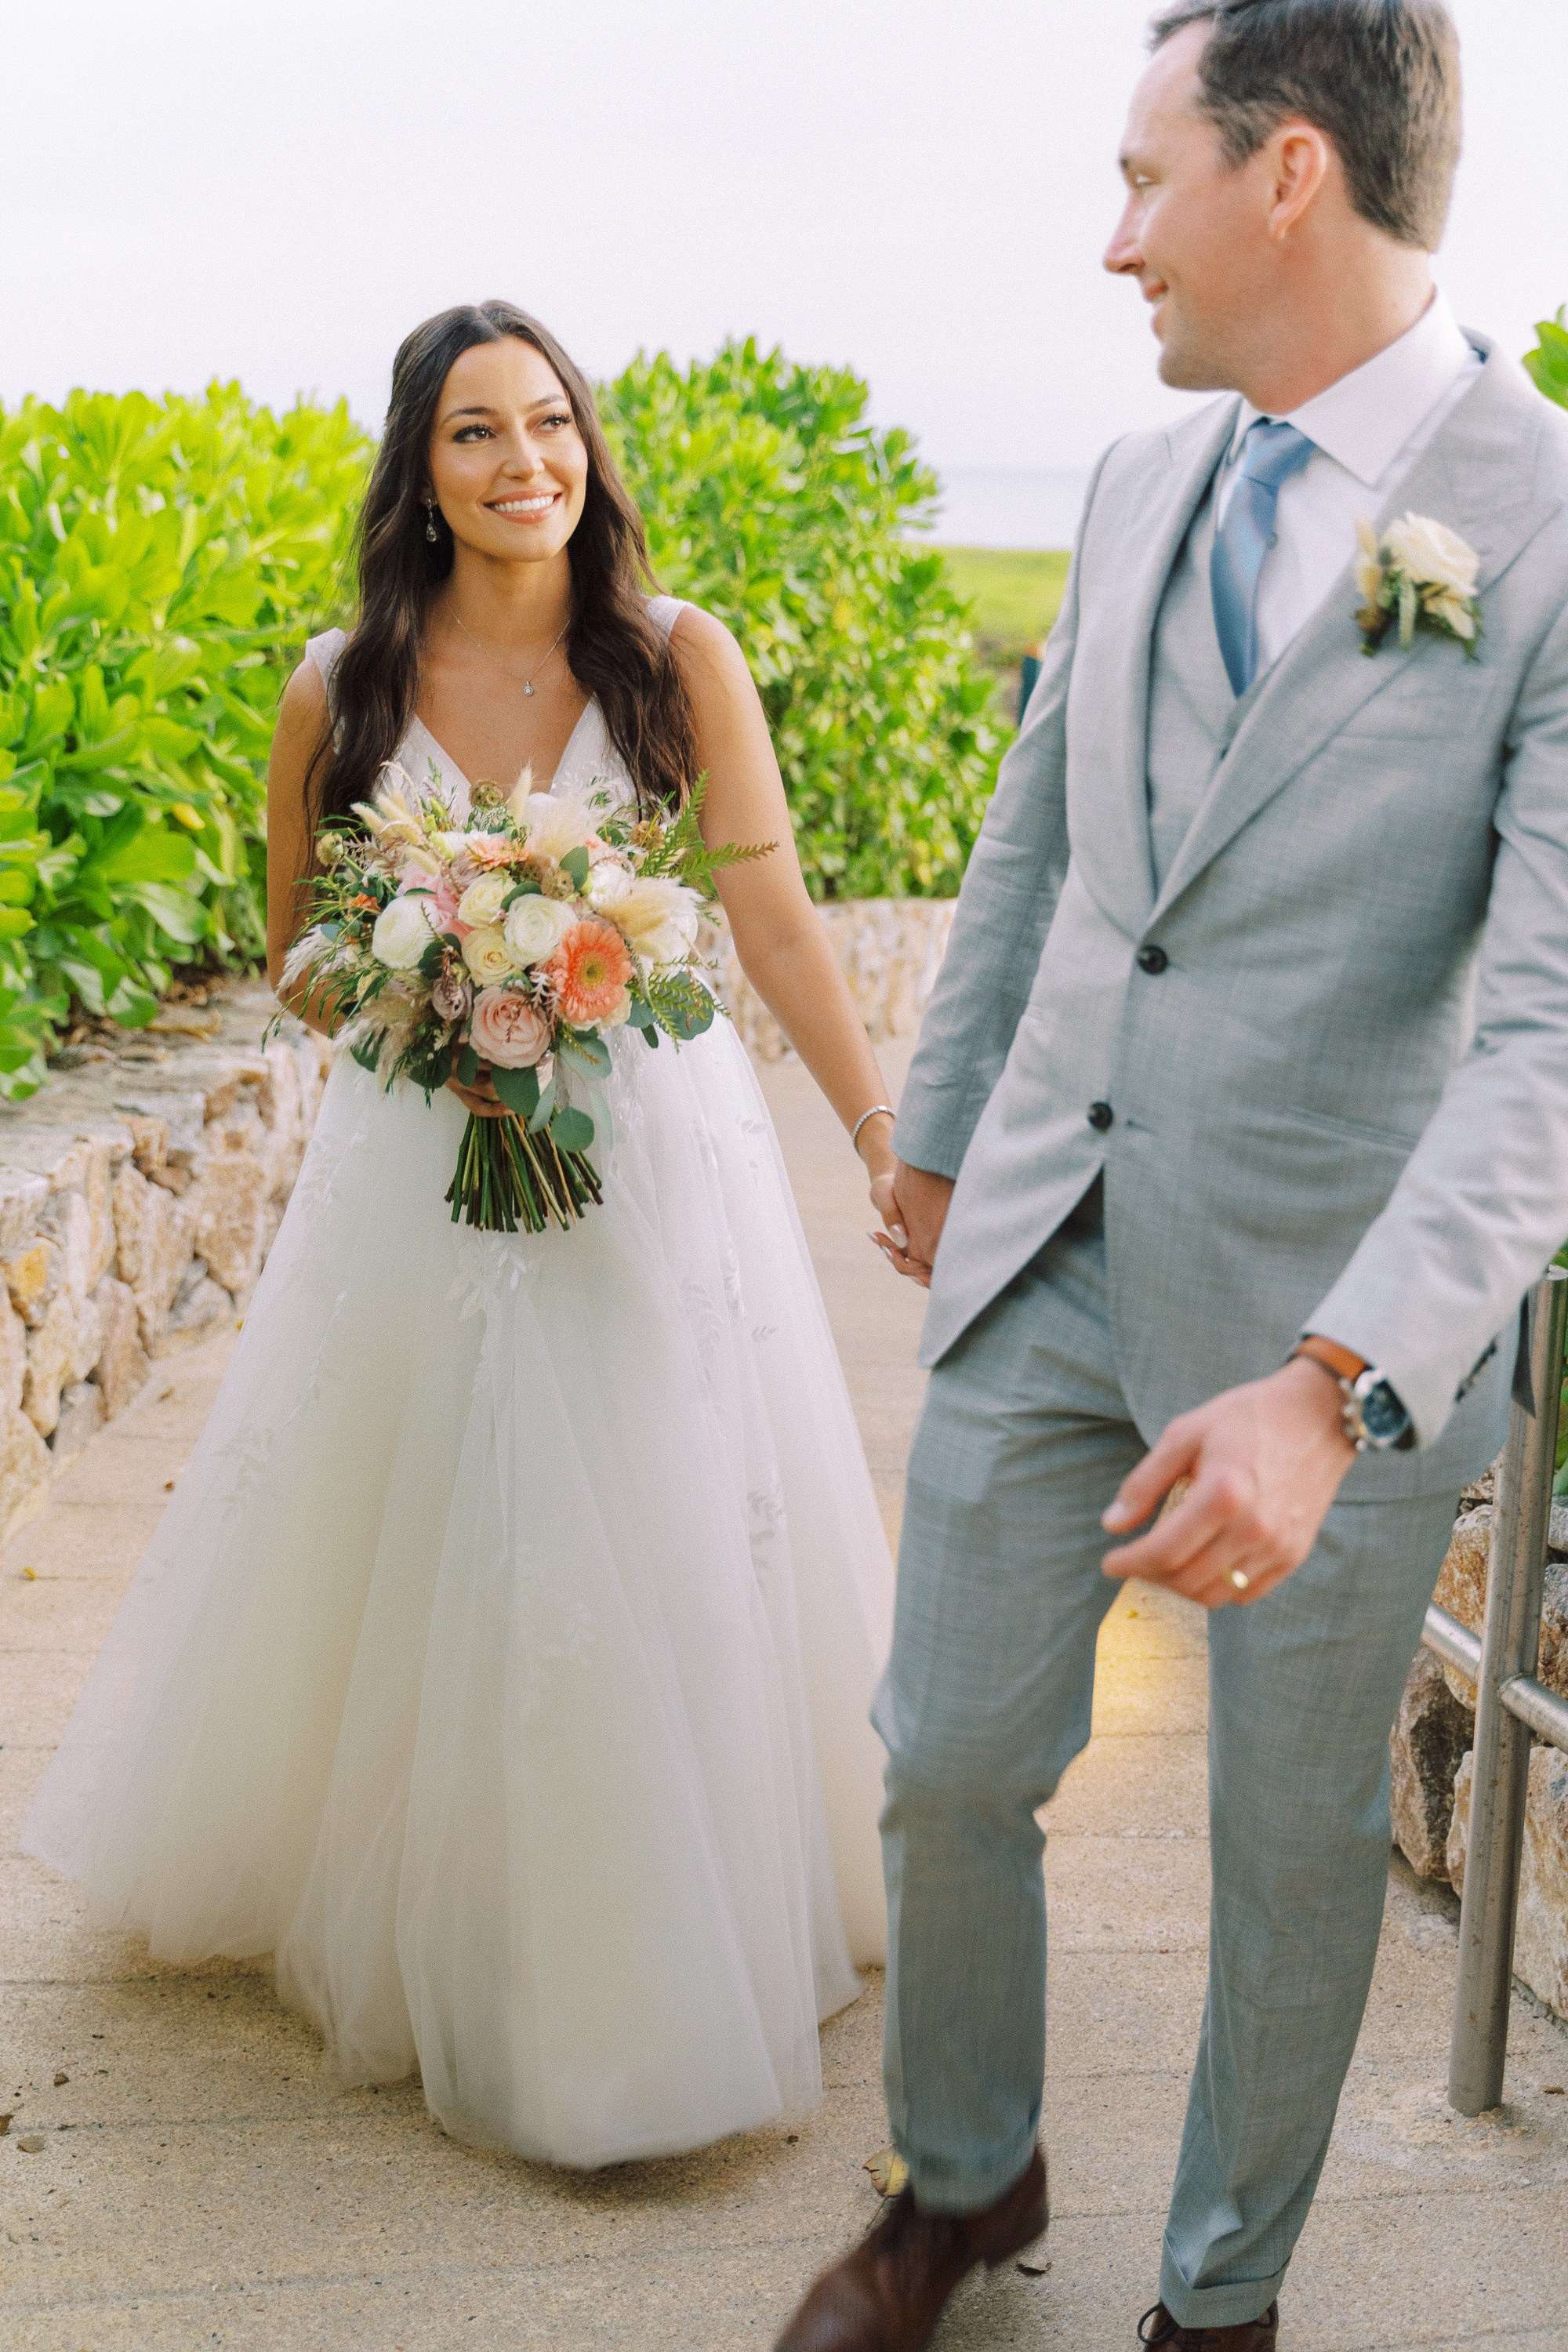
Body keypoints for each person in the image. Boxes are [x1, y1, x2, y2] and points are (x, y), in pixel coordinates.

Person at [781, 2, 1568, 2346]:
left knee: (1290, 1854)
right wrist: (938, 1136)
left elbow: (1546, 1040)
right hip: (1047, 1245)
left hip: (1338, 1323)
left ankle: (1220, 2299)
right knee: (944, 1757)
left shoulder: (1542, 531)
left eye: (1147, 179)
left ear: (1290, 172)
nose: (1116, 241)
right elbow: (1040, 832)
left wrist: (1336, 1387)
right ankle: (962, 2179)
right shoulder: (1138, 487)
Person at [24, 299, 901, 2169]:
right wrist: (443, 1002)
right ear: (419, 476)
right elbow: (296, 965)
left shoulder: (678, 661)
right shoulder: (341, 685)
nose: (528, 467)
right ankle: (475, 1923)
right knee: (445, 1530)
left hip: (651, 1165)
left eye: (553, 425)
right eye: (478, 436)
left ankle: (658, 1926)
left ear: (591, 447)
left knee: (649, 1510)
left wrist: (883, 1136)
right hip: (428, 1169)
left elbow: (774, 929)